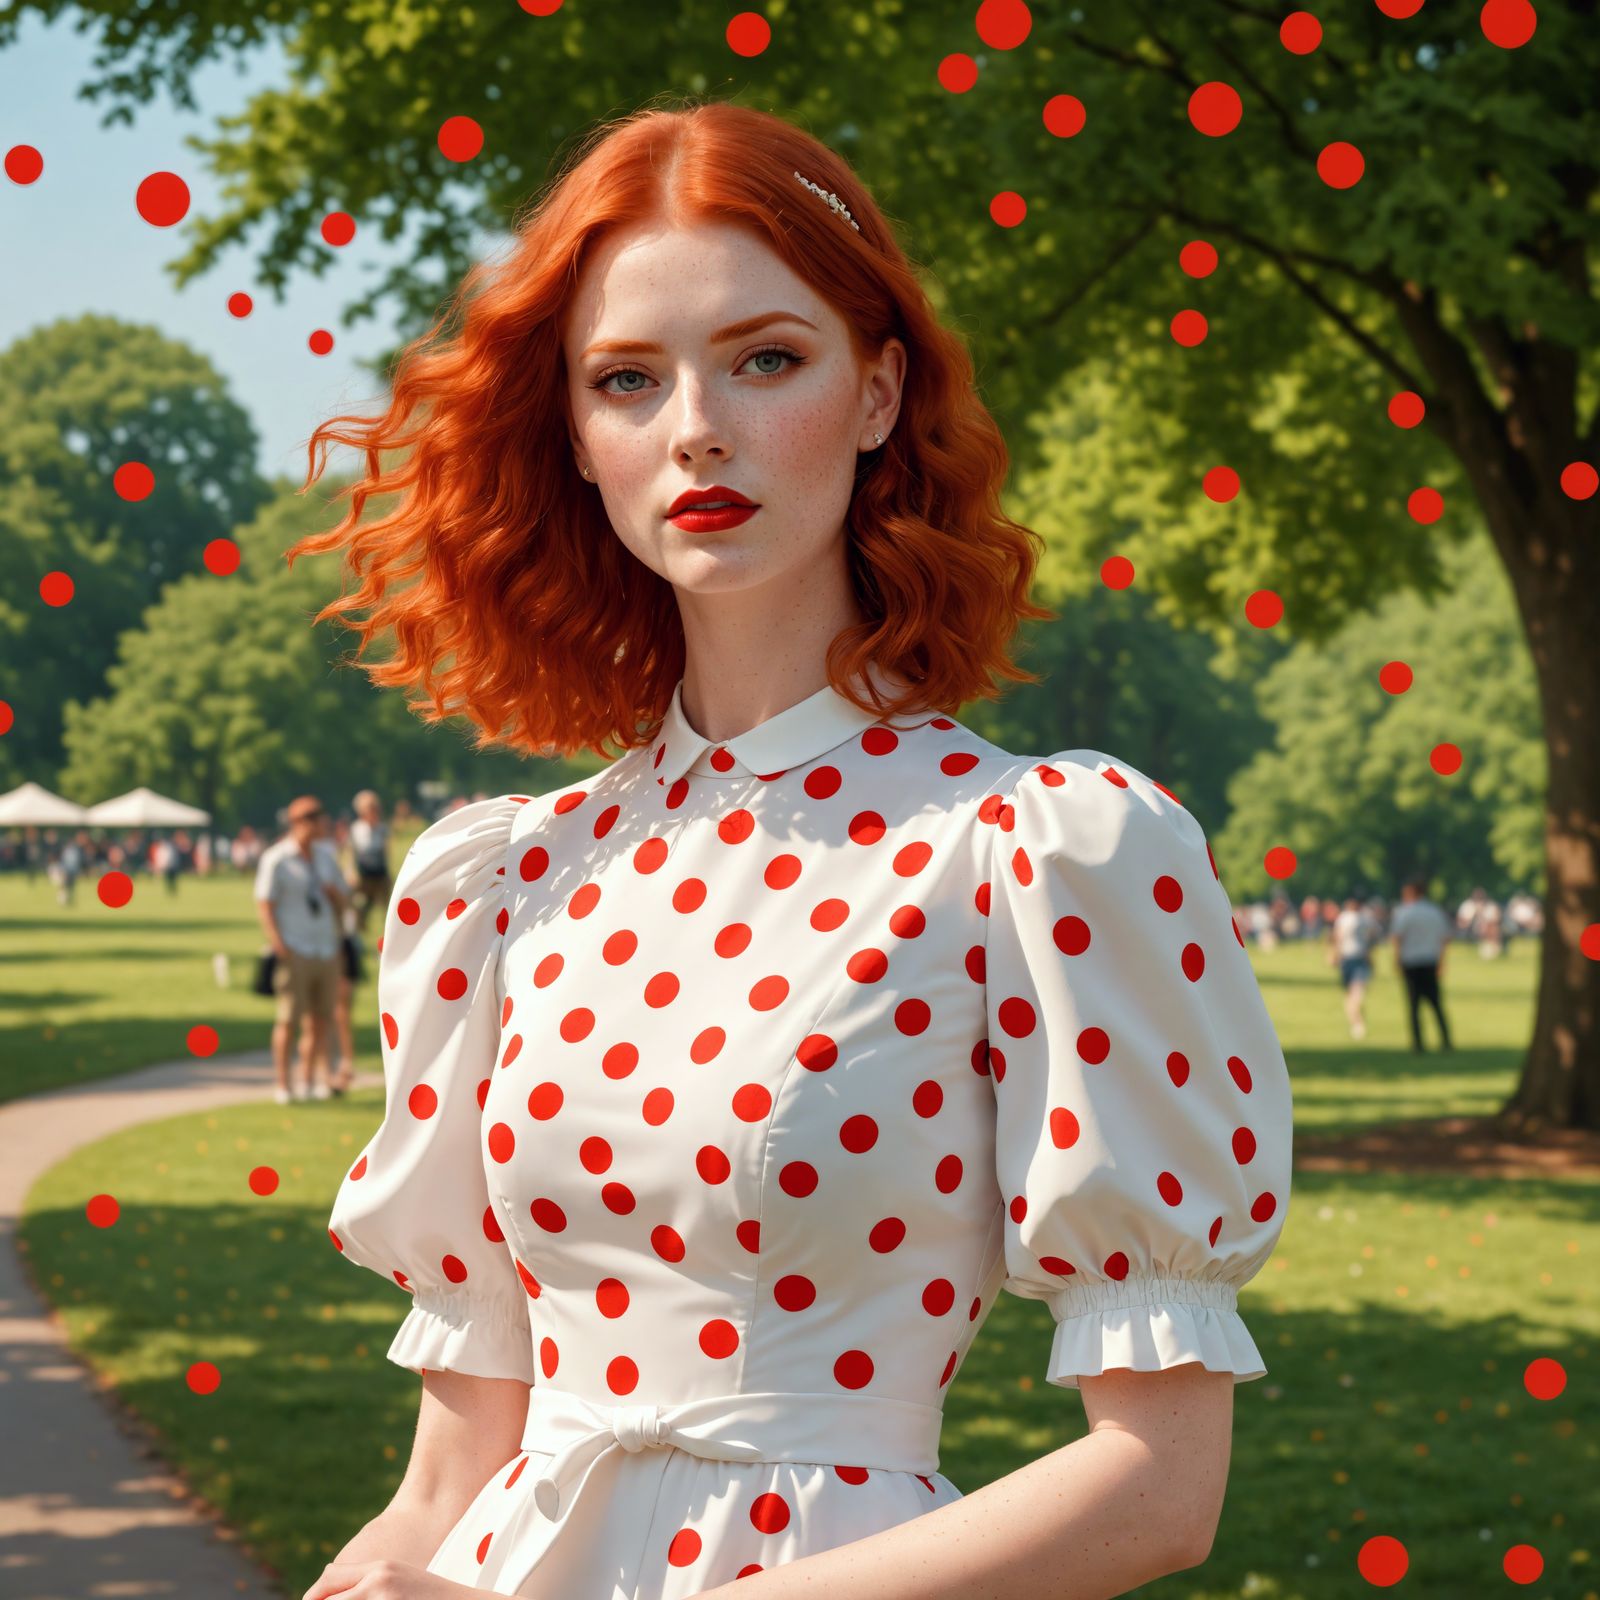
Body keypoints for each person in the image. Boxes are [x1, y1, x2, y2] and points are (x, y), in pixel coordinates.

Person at [293, 101, 1293, 1600]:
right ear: (576, 440)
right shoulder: (501, 882)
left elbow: (1157, 1489)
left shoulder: (1030, 852)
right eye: (628, 379)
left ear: (878, 392)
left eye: (766, 360)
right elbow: (446, 1481)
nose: (696, 425)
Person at [254, 796, 349, 1103]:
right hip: (294, 947)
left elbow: (344, 898)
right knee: (288, 1019)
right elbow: (265, 904)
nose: (320, 824)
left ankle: (310, 1079)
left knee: (321, 1020)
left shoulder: (325, 857)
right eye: (314, 818)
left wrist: (335, 896)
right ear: (298, 822)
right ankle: (284, 1084)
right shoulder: (277, 859)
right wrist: (278, 944)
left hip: (325, 946)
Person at [1390, 876, 1455, 1054]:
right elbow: (1445, 938)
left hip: (1411, 962)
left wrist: (1397, 959)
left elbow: (1397, 938)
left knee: (1413, 1006)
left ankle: (1418, 1043)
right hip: (1430, 961)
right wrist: (1442, 961)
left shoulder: (1404, 913)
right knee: (1436, 1004)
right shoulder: (1434, 912)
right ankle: (1446, 1040)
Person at [1326, 891, 1379, 1040]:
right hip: (1348, 959)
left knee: (1356, 994)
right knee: (1351, 995)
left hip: (1359, 959)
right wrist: (1334, 954)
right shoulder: (1347, 918)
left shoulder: (1364, 919)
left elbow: (1372, 938)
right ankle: (1357, 1022)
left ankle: (1358, 1024)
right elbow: (1338, 938)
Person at [346, 789, 394, 936]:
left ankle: (389, 932)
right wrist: (351, 871)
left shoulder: (382, 829)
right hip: (363, 872)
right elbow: (351, 852)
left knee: (388, 905)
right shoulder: (356, 829)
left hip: (380, 872)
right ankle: (357, 928)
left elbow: (386, 852)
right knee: (356, 901)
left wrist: (389, 872)